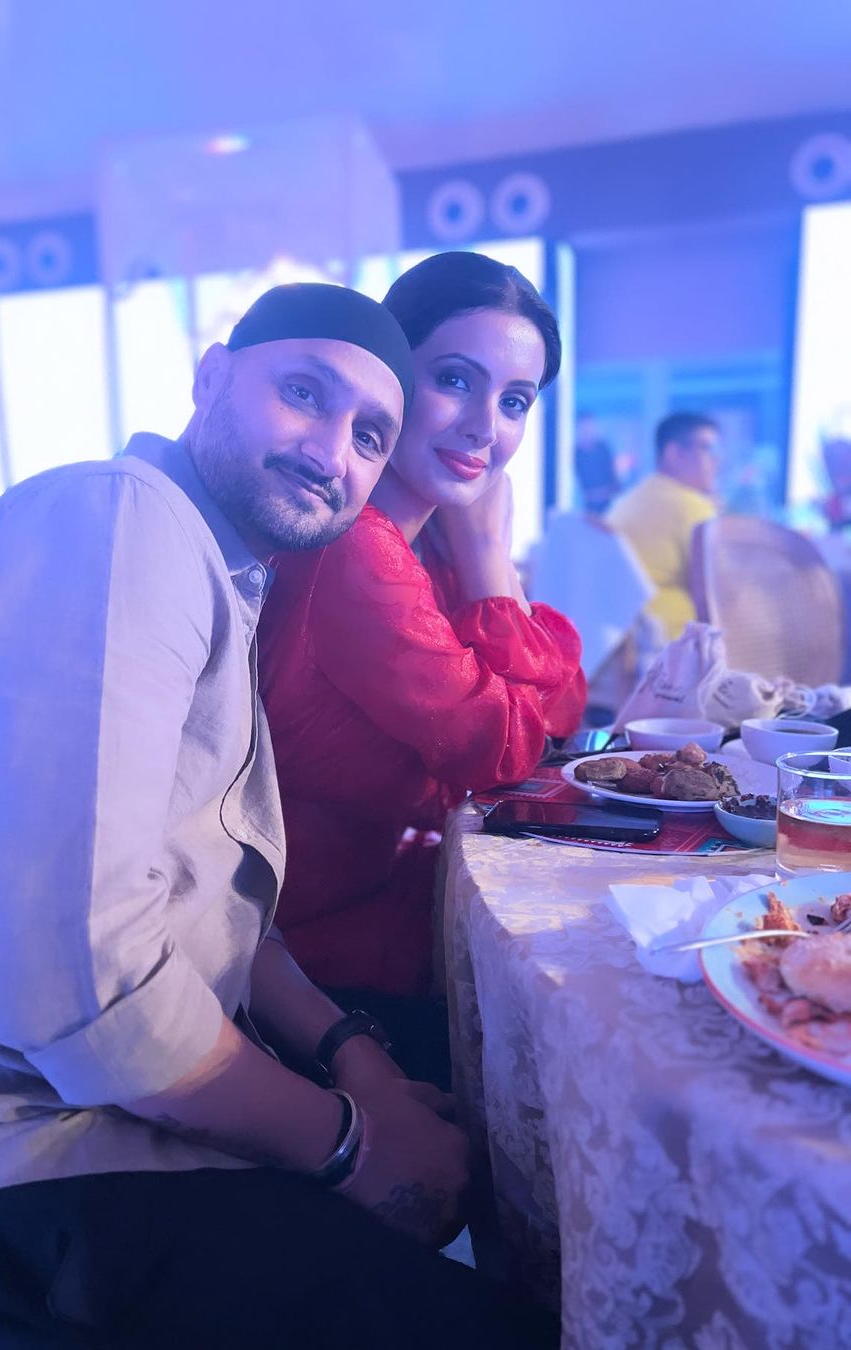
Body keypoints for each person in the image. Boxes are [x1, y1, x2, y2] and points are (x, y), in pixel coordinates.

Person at [0, 284, 548, 1349]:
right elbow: (78, 986)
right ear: (209, 376)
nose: (331, 450)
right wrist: (352, 1144)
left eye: (371, 434)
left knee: (504, 1137)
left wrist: (355, 1056)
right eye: (303, 393)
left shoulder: (216, 572)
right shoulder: (118, 521)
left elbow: (207, 906)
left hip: (93, 1134)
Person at [258, 253, 586, 1087]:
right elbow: (506, 747)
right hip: (312, 966)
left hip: (392, 903)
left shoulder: (422, 542)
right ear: (391, 376)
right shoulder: (353, 545)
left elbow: (561, 709)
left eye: (514, 401)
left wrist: (476, 553)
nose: (485, 428)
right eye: (455, 380)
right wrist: (489, 557)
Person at [606, 412, 720, 641]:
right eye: (708, 449)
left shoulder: (631, 499)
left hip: (621, 641)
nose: (717, 462)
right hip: (672, 641)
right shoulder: (692, 506)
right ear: (673, 453)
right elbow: (721, 592)